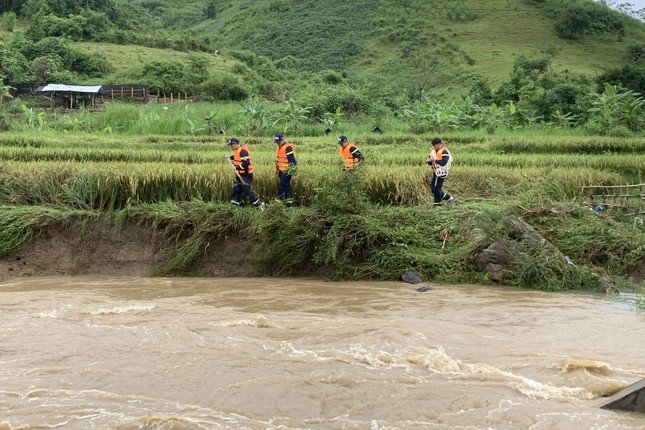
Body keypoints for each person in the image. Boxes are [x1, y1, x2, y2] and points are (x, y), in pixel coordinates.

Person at [226, 137, 264, 210]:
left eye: (231, 145)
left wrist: (237, 168)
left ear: (235, 144)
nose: (231, 147)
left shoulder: (243, 151)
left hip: (246, 175)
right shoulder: (238, 150)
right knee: (236, 188)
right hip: (240, 174)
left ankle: (259, 204)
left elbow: (246, 163)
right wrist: (230, 157)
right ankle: (235, 205)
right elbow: (236, 157)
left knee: (246, 189)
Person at [427, 137, 454, 206]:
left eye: (435, 146)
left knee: (436, 188)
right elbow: (430, 163)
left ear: (439, 144)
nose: (434, 147)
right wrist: (429, 161)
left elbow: (444, 162)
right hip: (435, 172)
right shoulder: (433, 151)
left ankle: (437, 205)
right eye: (433, 146)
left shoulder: (444, 151)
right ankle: (448, 197)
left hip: (441, 173)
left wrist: (434, 160)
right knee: (434, 189)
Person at [274, 134, 297, 206]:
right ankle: (289, 204)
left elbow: (293, 161)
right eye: (276, 142)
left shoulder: (288, 148)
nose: (277, 143)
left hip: (287, 171)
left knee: (281, 187)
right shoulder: (278, 147)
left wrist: (294, 173)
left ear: (283, 140)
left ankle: (277, 205)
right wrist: (276, 168)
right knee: (286, 187)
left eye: (279, 142)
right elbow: (279, 159)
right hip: (281, 170)